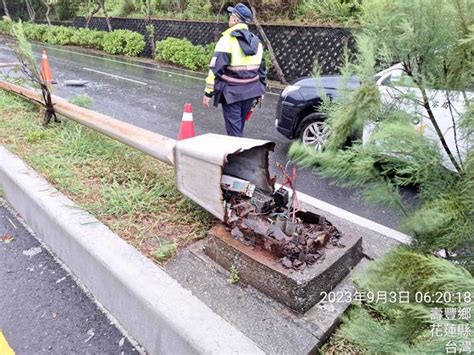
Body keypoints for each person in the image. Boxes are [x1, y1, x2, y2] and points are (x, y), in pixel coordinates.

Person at [202, 3, 267, 137]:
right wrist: (261, 91)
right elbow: (262, 69)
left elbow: (215, 69)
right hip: (250, 92)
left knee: (234, 133)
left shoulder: (227, 40)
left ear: (236, 19)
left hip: (231, 94)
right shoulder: (257, 42)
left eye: (231, 15)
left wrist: (208, 93)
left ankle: (237, 156)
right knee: (238, 128)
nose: (229, 18)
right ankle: (237, 154)